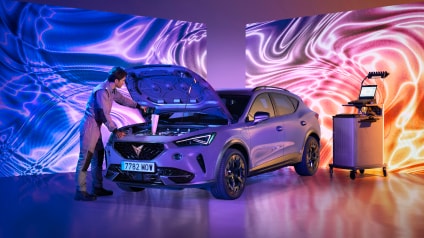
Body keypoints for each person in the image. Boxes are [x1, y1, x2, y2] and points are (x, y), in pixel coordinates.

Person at [74, 66, 145, 201]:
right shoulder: (102, 91)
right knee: (86, 159)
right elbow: (103, 113)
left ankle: (97, 187)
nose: (123, 83)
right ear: (116, 80)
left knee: (98, 157)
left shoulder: (112, 90)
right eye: (123, 81)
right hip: (90, 126)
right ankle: (80, 191)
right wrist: (115, 130)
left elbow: (123, 100)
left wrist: (138, 105)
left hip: (96, 126)